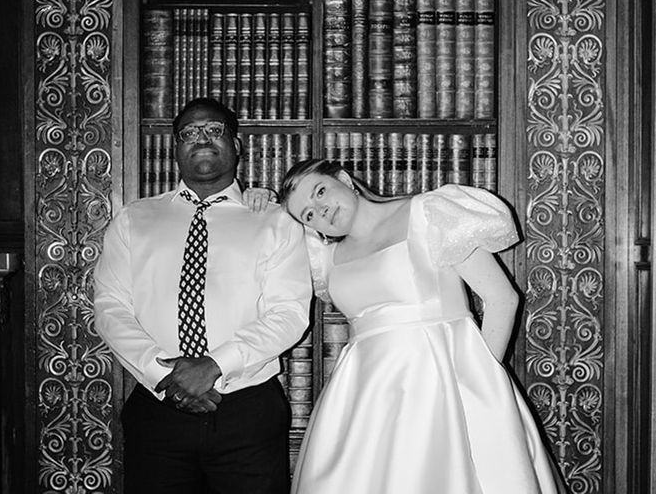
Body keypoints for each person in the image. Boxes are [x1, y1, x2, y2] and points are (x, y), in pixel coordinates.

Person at [271, 157, 564, 494]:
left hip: (445, 384)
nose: (320, 210)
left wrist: (480, 378)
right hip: (362, 399)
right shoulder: (324, 258)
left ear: (344, 179)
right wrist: (261, 202)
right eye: (308, 214)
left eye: (320, 192)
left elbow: (502, 299)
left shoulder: (429, 214)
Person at [93, 98, 313, 494]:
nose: (202, 139)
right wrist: (165, 375)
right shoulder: (133, 219)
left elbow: (289, 314)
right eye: (189, 133)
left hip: (247, 410)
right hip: (158, 408)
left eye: (214, 130)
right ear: (175, 148)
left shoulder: (276, 222)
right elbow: (111, 308)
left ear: (236, 145)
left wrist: (212, 366)